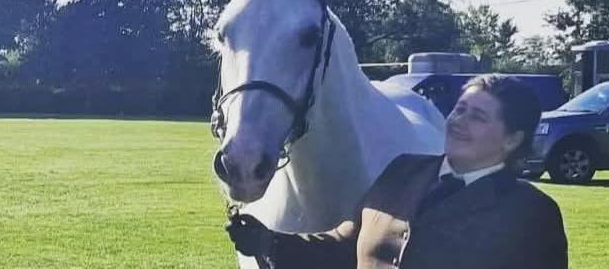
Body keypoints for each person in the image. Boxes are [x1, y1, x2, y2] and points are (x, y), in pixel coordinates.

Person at [226, 74, 568, 269]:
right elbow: (345, 242)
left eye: (478, 117)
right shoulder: (404, 170)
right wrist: (271, 242)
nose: (459, 122)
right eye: (460, 109)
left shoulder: (530, 213)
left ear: (512, 139)